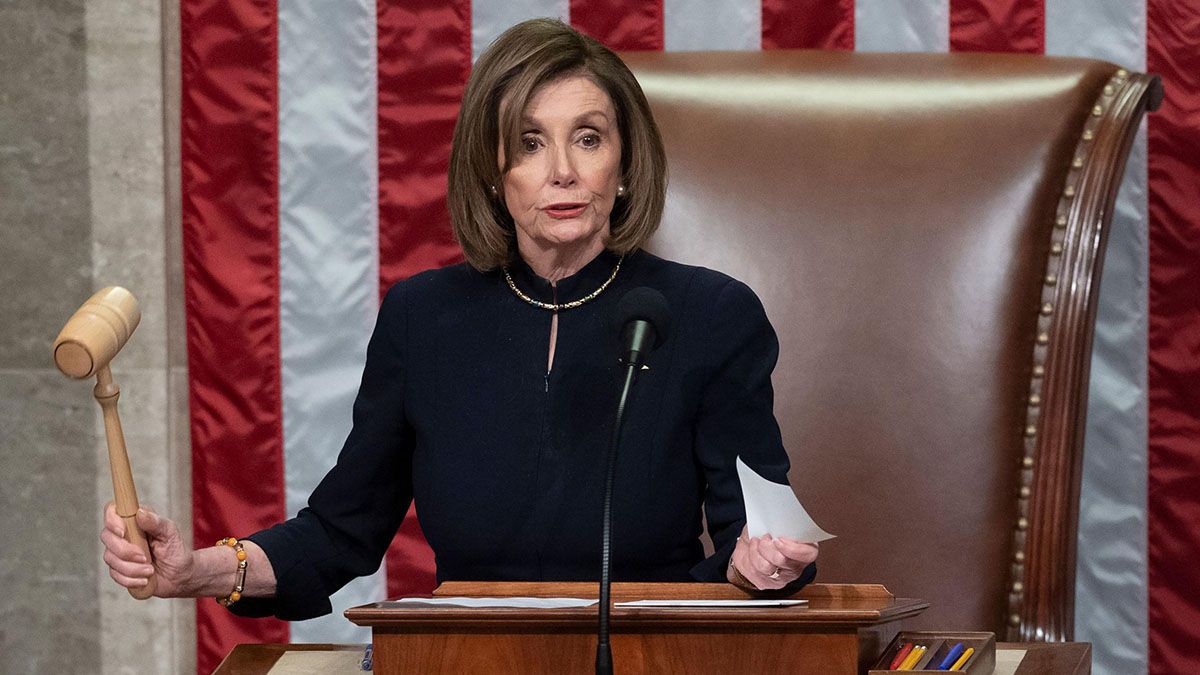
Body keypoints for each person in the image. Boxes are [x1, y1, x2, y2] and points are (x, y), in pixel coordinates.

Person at [101, 18, 819, 621]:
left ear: (625, 165)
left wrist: (762, 559)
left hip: (647, 655)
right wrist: (195, 569)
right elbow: (339, 532)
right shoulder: (424, 318)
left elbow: (752, 534)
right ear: (491, 169)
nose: (563, 170)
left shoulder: (711, 314)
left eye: (590, 138)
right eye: (532, 143)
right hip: (465, 655)